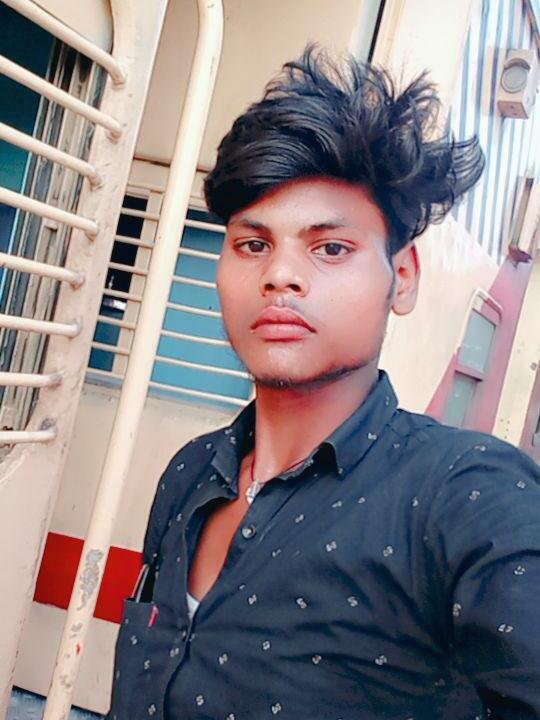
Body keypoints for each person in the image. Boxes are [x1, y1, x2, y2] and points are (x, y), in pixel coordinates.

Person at [108, 46, 540, 720]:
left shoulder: (470, 497)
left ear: (402, 277)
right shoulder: (190, 474)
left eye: (330, 248)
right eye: (253, 245)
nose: (280, 275)